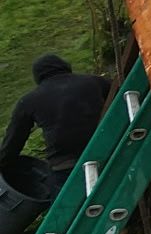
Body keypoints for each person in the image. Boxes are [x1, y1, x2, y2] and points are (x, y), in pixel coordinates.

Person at [0, 54, 109, 204]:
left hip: (65, 167)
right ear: (65, 66)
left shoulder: (29, 100)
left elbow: (13, 142)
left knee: (66, 210)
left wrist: (3, 164)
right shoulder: (94, 81)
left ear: (38, 77)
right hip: (107, 149)